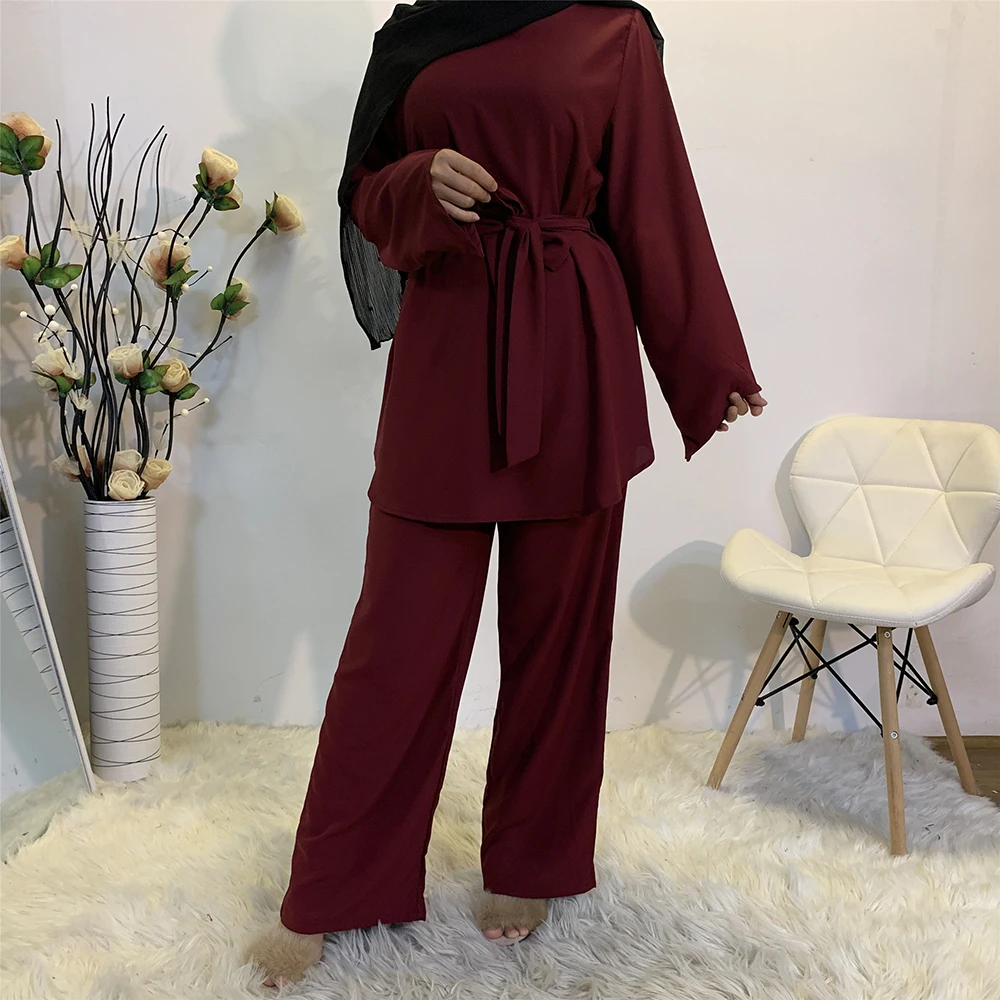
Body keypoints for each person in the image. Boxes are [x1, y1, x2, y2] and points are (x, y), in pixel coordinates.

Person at [246, 0, 766, 986]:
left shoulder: (613, 30)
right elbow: (366, 195)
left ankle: (533, 861)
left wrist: (709, 366)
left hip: (573, 345)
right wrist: (418, 181)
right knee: (396, 642)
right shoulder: (413, 33)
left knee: (559, 637)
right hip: (447, 345)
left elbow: (655, 206)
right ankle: (336, 884)